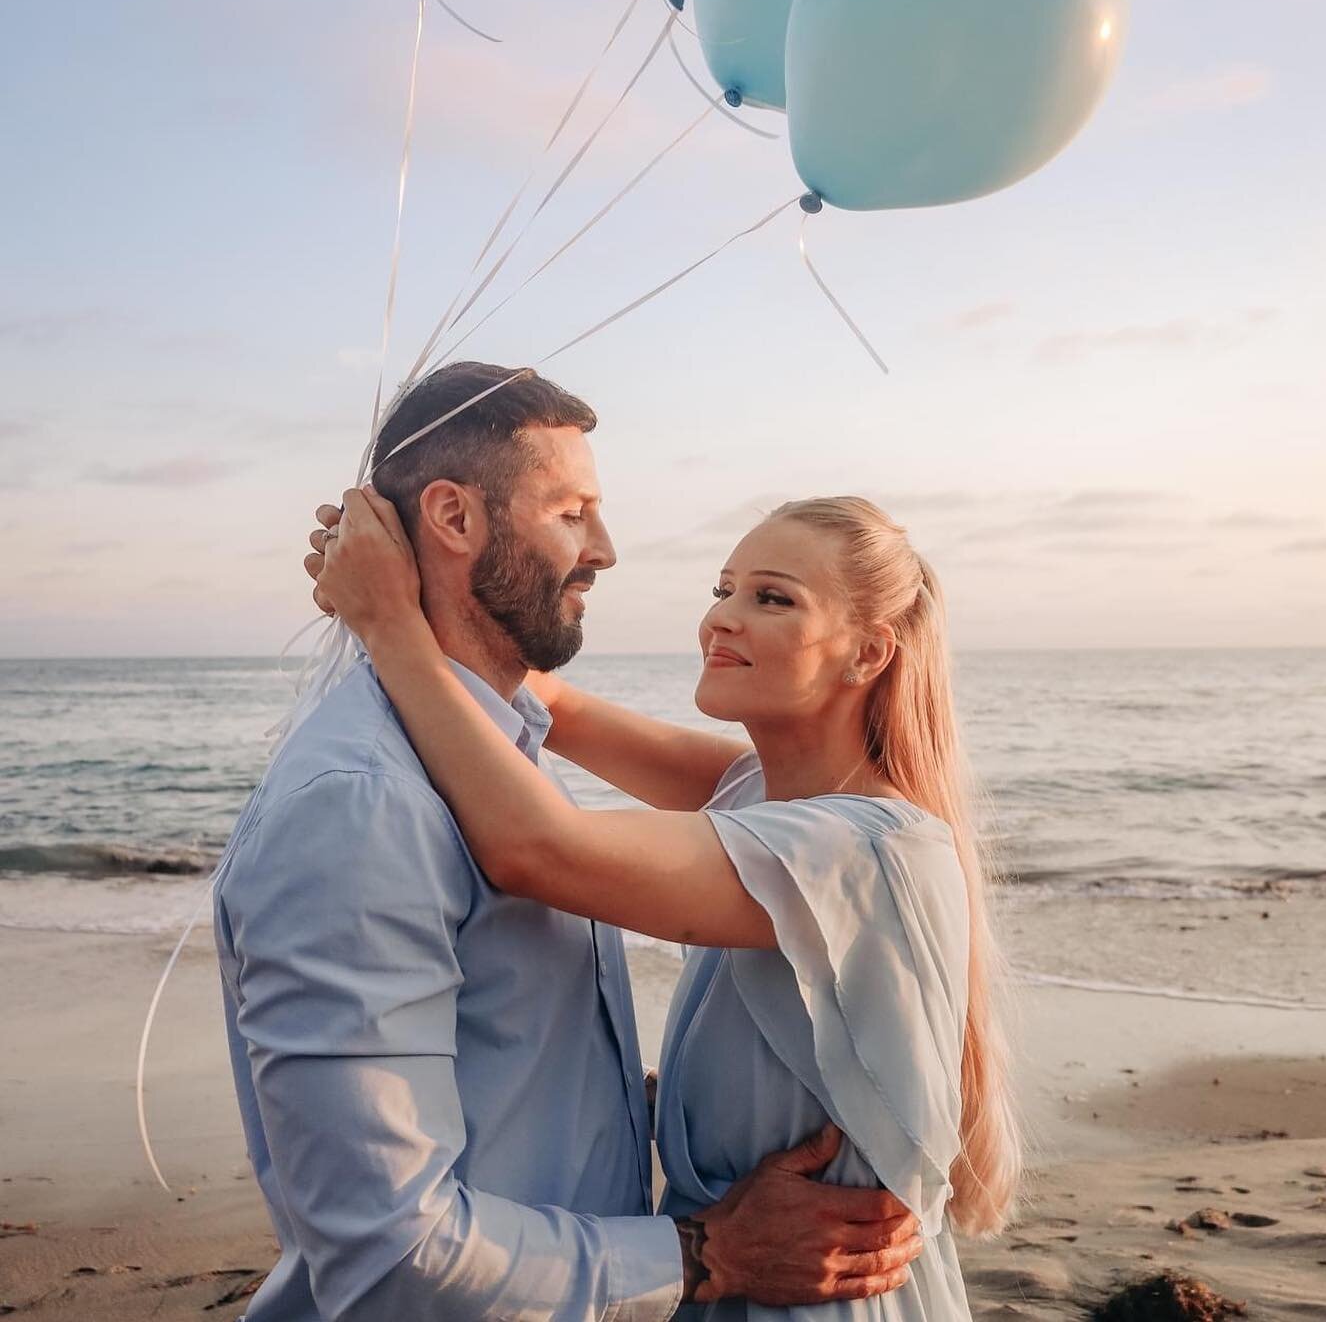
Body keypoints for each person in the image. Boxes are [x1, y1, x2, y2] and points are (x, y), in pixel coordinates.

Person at [216, 362, 923, 1322]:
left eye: (772, 597)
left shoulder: (839, 831)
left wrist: (394, 616)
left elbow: (541, 842)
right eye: (572, 511)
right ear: (455, 519)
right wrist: (703, 1255)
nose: (608, 549)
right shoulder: (368, 802)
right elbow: (388, 1259)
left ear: (871, 652)